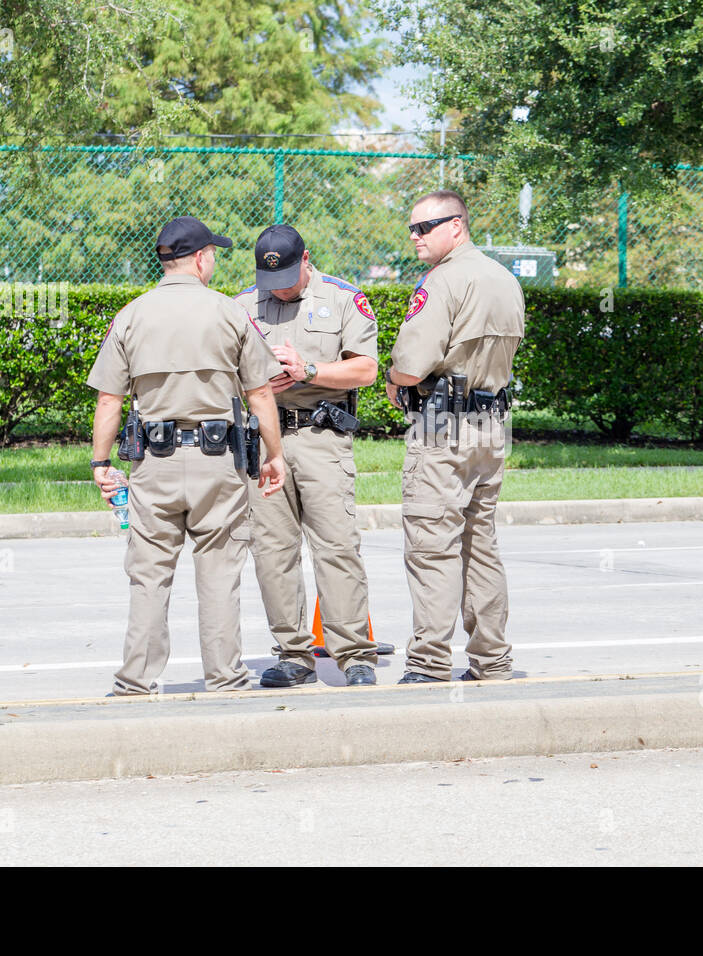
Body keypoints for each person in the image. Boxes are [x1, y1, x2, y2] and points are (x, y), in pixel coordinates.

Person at [87, 215, 286, 696]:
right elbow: (260, 394)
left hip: (152, 464)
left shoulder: (131, 315)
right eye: (213, 254)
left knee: (149, 574)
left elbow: (109, 400)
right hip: (218, 462)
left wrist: (100, 463)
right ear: (199, 258)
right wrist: (274, 455)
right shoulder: (229, 314)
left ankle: (135, 680)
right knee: (219, 570)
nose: (214, 261)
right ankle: (225, 677)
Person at [384, 190, 524, 683]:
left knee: (431, 544)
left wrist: (393, 380)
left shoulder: (443, 280)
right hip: (491, 426)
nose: (415, 237)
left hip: (442, 427)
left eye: (425, 227)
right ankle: (492, 659)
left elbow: (410, 363)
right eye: (412, 229)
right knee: (480, 544)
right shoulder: (504, 278)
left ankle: (428, 662)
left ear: (457, 226)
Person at [234, 224, 380, 687]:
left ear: (307, 260)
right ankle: (293, 653)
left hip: (320, 437)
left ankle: (354, 654)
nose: (276, 290)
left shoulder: (343, 299)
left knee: (336, 546)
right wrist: (253, 383)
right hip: (263, 439)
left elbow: (367, 369)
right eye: (268, 281)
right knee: (272, 551)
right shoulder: (241, 306)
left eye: (287, 279)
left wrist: (308, 369)